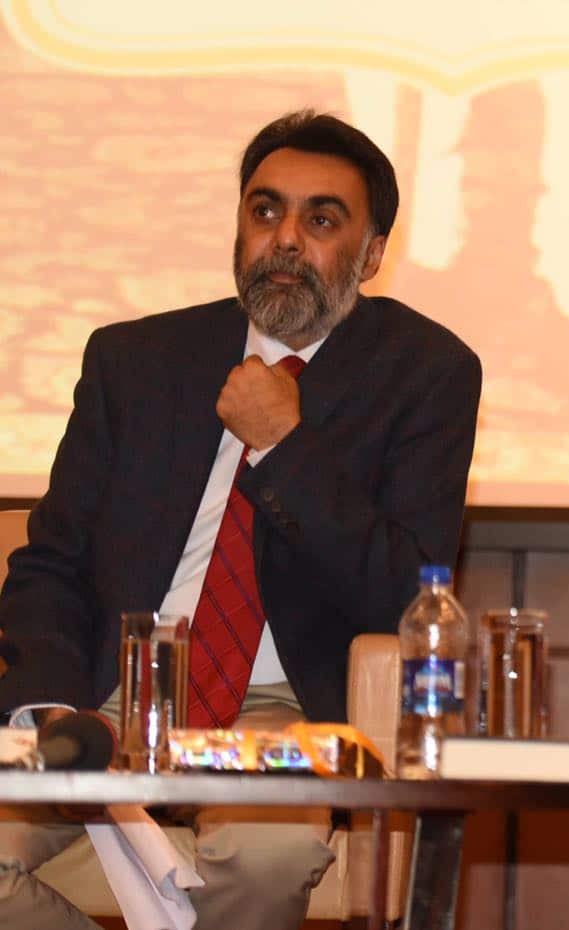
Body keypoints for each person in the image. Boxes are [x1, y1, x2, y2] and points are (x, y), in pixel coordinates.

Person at [0, 110, 481, 928]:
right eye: (265, 211)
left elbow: (408, 592)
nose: (285, 239)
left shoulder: (427, 374)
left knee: (270, 856)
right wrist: (49, 709)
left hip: (284, 707)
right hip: (117, 697)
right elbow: (52, 563)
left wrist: (285, 445)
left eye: (321, 219)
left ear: (369, 256)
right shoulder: (135, 361)